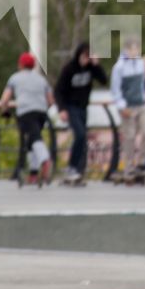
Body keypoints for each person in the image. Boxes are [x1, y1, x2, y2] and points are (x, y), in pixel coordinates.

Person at [52, 43, 106, 185]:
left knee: (82, 139)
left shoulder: (91, 68)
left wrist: (96, 65)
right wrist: (61, 109)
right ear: (78, 55)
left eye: (88, 56)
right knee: (80, 134)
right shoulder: (69, 69)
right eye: (83, 56)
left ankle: (79, 170)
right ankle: (71, 167)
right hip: (71, 107)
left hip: (83, 108)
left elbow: (104, 80)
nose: (85, 59)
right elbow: (58, 91)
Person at [2, 51, 56, 186]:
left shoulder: (14, 78)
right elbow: (50, 100)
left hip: (25, 111)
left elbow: (5, 98)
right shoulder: (41, 79)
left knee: (35, 138)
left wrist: (5, 110)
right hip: (41, 112)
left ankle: (45, 160)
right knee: (31, 142)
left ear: (20, 64)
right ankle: (33, 174)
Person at [108, 41, 145, 183]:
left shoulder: (140, 64)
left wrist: (144, 96)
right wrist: (121, 106)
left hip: (141, 104)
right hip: (128, 105)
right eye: (132, 50)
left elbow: (142, 83)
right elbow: (115, 89)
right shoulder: (119, 67)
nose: (135, 52)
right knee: (130, 137)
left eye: (137, 49)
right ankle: (129, 167)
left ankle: (142, 162)